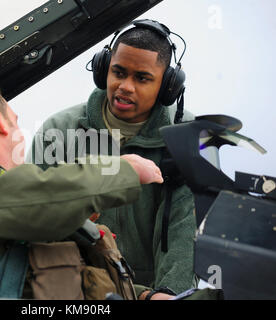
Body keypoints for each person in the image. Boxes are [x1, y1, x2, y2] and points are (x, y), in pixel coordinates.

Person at [0, 81, 165, 299]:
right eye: (15, 123)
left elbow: (41, 271)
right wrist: (123, 169)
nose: (21, 136)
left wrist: (144, 295)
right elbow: (48, 192)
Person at [28, 19, 198, 299]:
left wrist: (168, 294)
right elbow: (37, 220)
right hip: (76, 292)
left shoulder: (186, 136)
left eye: (142, 78)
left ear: (167, 87)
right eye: (118, 72)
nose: (125, 86)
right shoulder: (58, 131)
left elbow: (185, 225)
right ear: (103, 69)